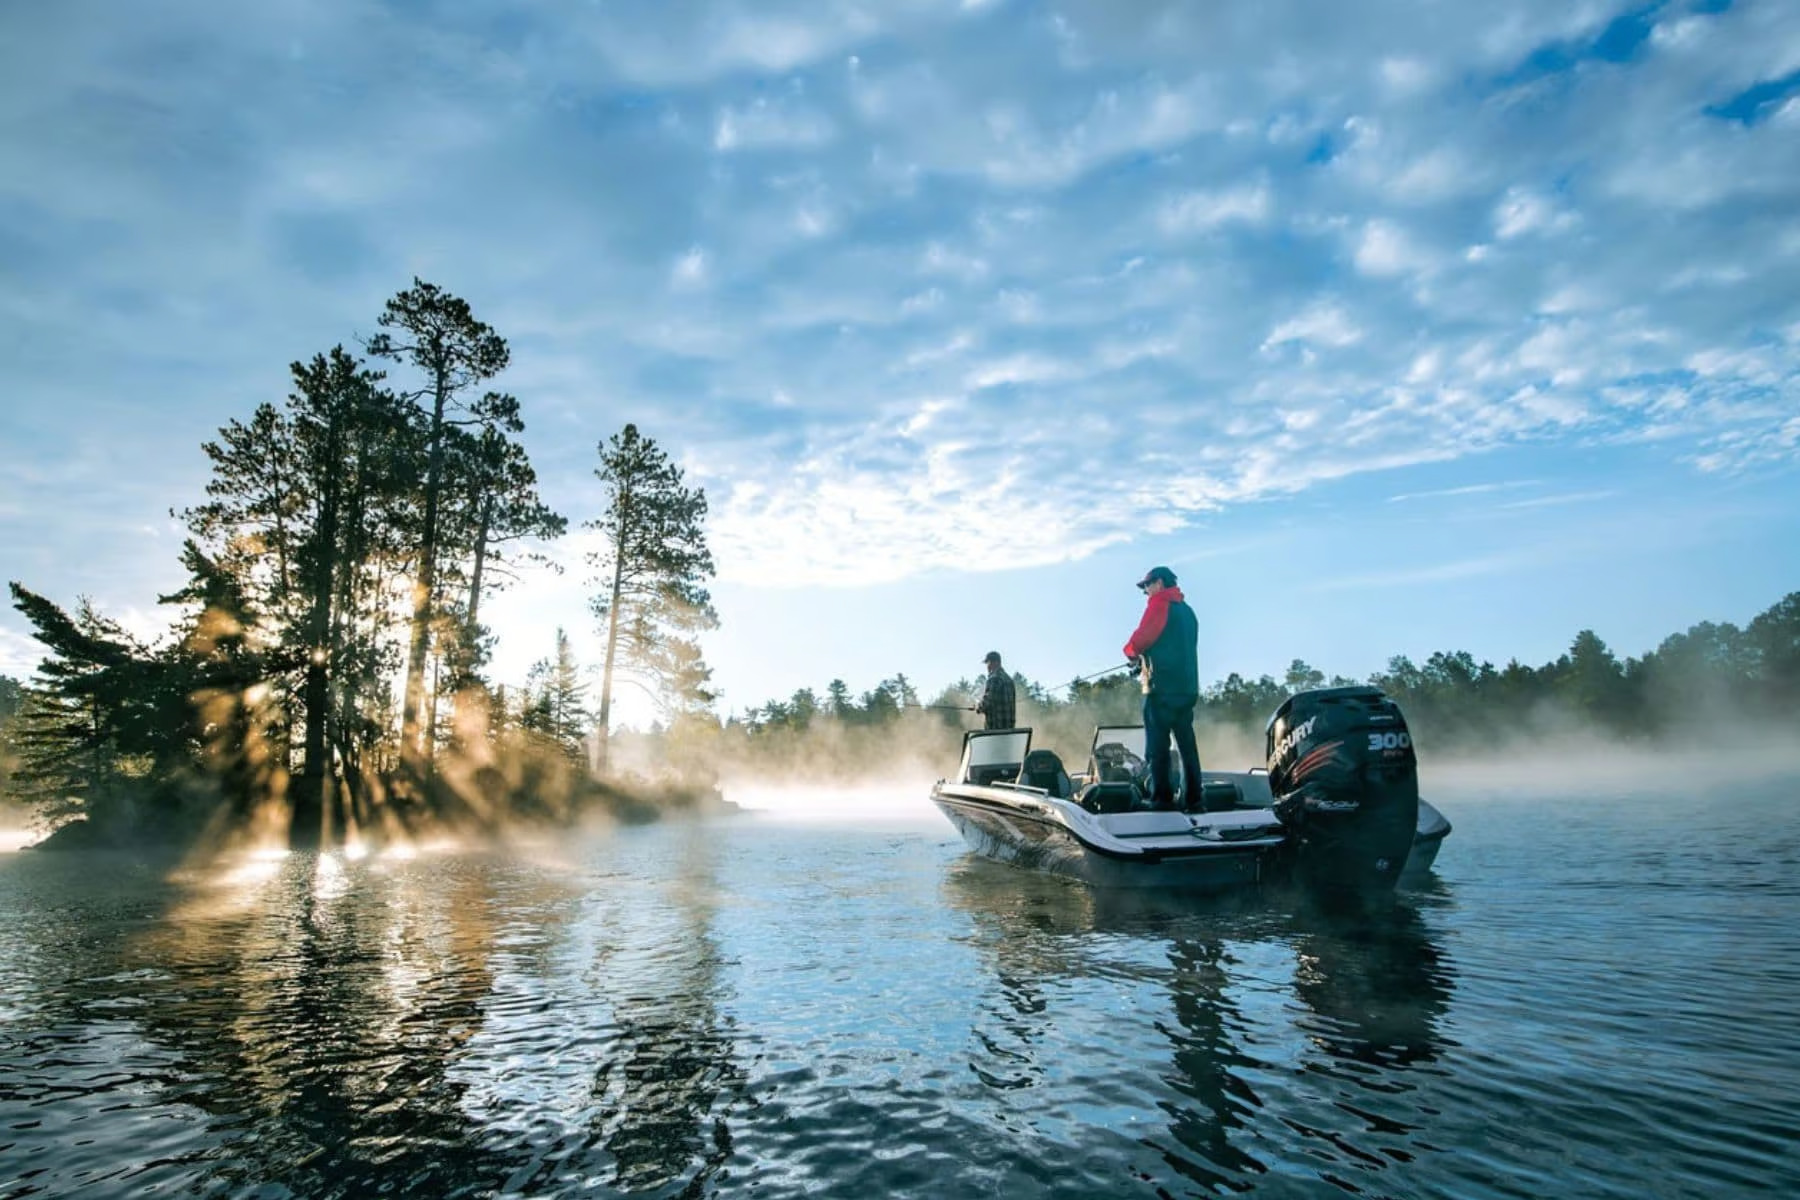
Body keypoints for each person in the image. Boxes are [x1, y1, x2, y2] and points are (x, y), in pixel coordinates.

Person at [1122, 566, 1203, 810]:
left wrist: (1131, 653)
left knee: (1157, 747)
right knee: (1187, 746)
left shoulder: (1159, 604)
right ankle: (1195, 800)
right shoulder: (1189, 612)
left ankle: (1162, 799)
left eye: (1146, 586)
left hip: (1160, 689)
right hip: (1187, 688)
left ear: (1158, 583)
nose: (1146, 592)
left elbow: (1141, 639)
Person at [974, 650, 1017, 731]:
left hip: (995, 731)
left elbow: (987, 702)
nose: (987, 666)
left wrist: (978, 707)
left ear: (995, 662)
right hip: (1010, 731)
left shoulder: (994, 678)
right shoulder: (1009, 680)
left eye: (988, 663)